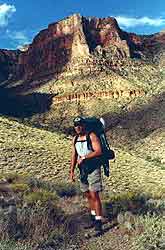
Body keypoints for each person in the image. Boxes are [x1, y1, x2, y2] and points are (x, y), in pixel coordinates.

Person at [70, 116, 104, 236]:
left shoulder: (92, 136)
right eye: (76, 125)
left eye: (80, 125)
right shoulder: (75, 139)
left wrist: (84, 157)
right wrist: (72, 171)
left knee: (94, 194)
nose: (78, 127)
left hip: (93, 167)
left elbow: (98, 151)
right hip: (83, 170)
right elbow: (74, 155)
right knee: (88, 195)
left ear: (84, 125)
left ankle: (99, 223)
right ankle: (93, 219)